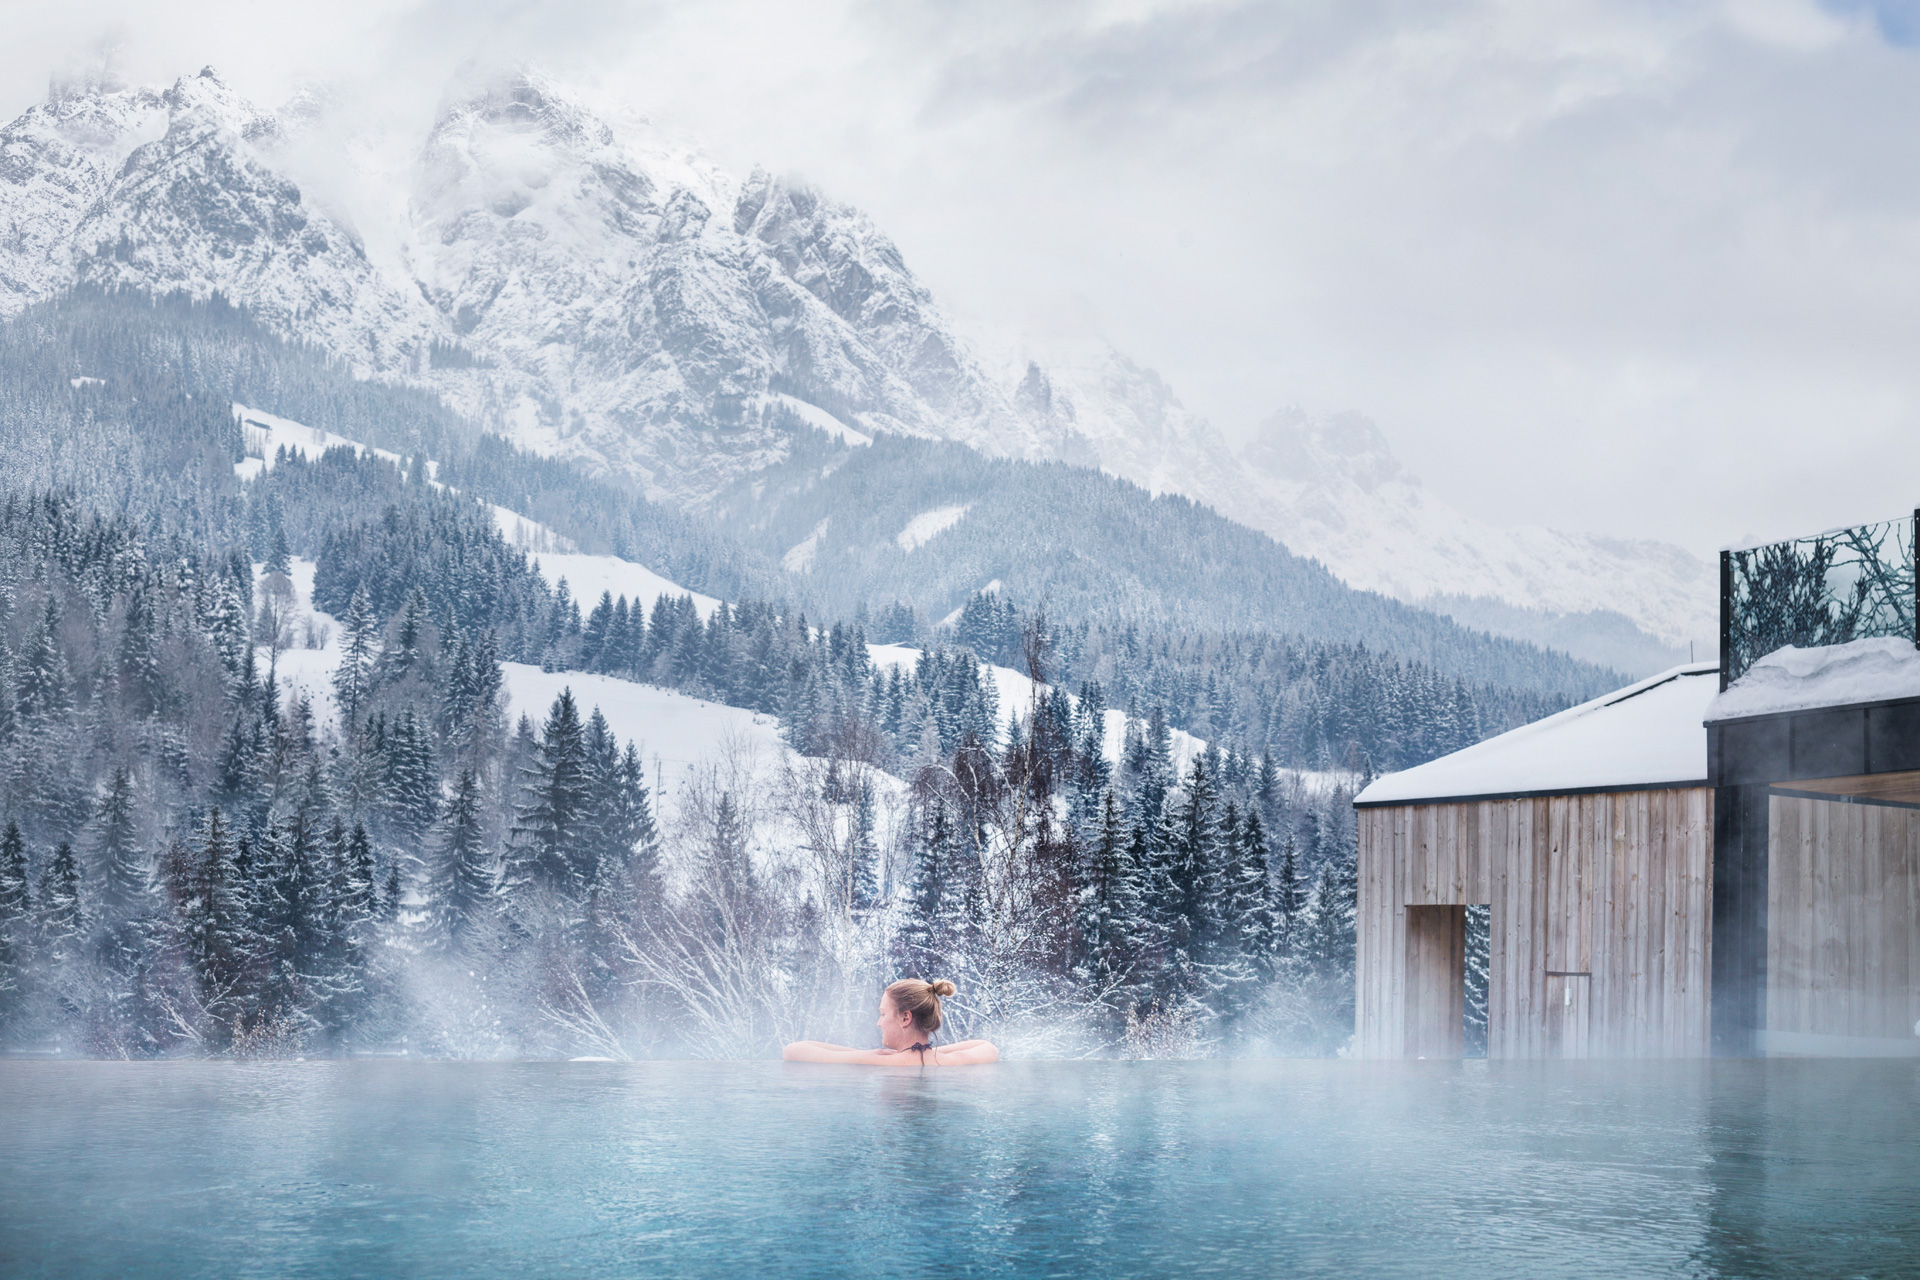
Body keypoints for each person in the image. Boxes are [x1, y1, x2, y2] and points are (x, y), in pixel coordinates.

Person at [782, 978, 1000, 1066]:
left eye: (882, 1014)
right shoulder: (948, 1062)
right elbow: (989, 1048)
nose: (878, 1023)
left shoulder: (881, 1063)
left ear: (905, 1018)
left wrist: (864, 1055)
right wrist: (928, 1052)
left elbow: (792, 1051)